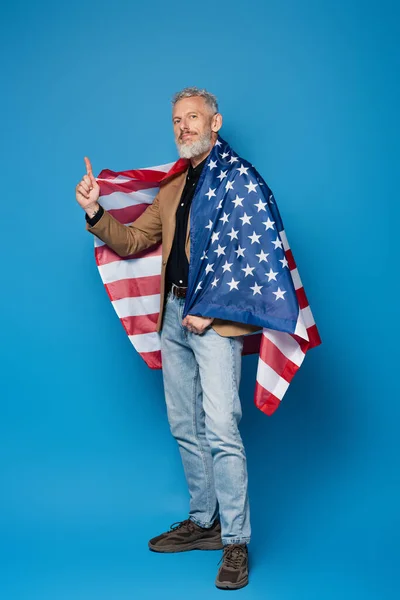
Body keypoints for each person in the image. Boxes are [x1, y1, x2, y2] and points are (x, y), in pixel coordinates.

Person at [75, 87, 262, 590]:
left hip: (215, 321)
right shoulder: (175, 186)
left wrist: (210, 307)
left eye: (194, 118)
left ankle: (236, 542)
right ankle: (205, 522)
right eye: (177, 119)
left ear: (215, 122)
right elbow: (136, 240)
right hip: (174, 315)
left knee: (221, 429)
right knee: (186, 425)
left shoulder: (239, 181)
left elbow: (252, 262)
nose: (184, 126)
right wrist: (95, 212)